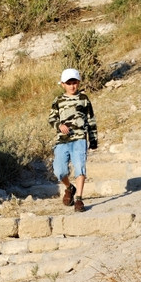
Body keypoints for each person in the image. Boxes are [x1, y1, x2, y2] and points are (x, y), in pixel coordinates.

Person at [48, 68, 98, 212]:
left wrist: (93, 138)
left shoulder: (84, 99)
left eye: (74, 82)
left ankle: (79, 200)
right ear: (63, 84)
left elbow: (91, 120)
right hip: (62, 140)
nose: (72, 86)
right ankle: (69, 188)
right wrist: (59, 125)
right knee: (60, 171)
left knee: (80, 167)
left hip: (80, 139)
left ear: (78, 82)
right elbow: (51, 118)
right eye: (68, 83)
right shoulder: (58, 100)